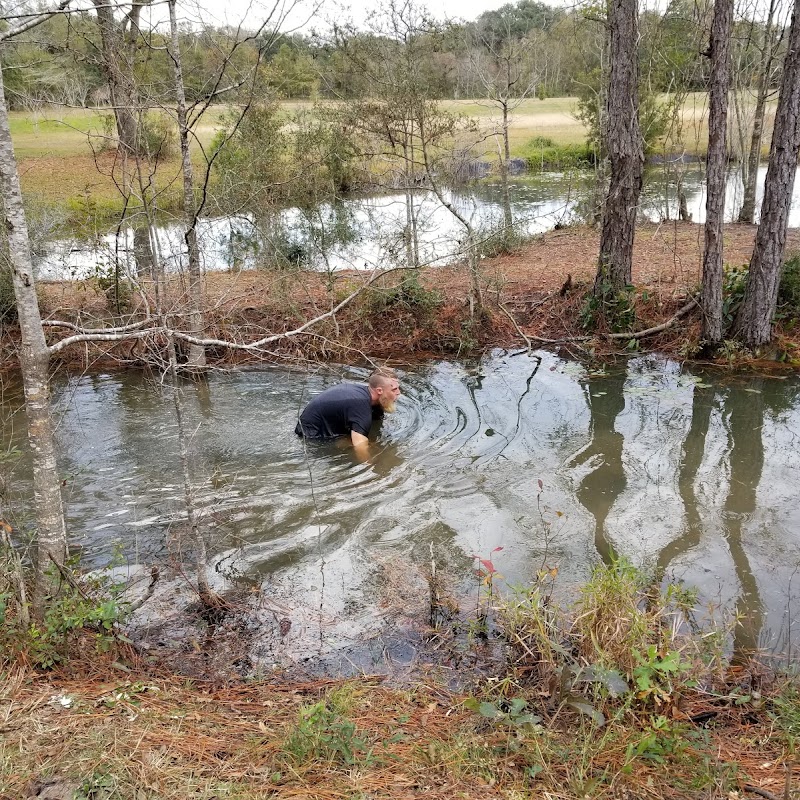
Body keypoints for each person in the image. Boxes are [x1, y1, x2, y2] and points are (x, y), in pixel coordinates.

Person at [295, 369, 401, 452]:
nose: (399, 393)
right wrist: (370, 470)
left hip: (323, 423)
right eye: (394, 389)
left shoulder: (372, 398)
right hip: (312, 437)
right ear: (379, 391)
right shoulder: (360, 405)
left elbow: (377, 420)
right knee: (349, 444)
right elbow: (360, 445)